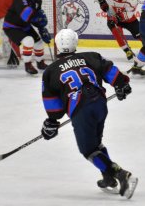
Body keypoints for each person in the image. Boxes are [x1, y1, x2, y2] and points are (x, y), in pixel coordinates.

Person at [40, 28, 138, 199]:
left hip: (81, 109)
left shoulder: (51, 71)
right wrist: (121, 85)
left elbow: (54, 107)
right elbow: (111, 71)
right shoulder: (91, 56)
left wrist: (52, 122)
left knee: (88, 150)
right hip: (100, 104)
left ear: (57, 46)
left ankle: (121, 174)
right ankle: (107, 177)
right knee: (96, 144)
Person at [3, 0, 51, 75]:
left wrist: (41, 28)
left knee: (38, 42)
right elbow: (26, 16)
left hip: (24, 26)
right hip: (12, 27)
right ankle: (28, 65)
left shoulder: (37, 0)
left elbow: (35, 16)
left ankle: (40, 62)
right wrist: (38, 19)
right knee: (28, 41)